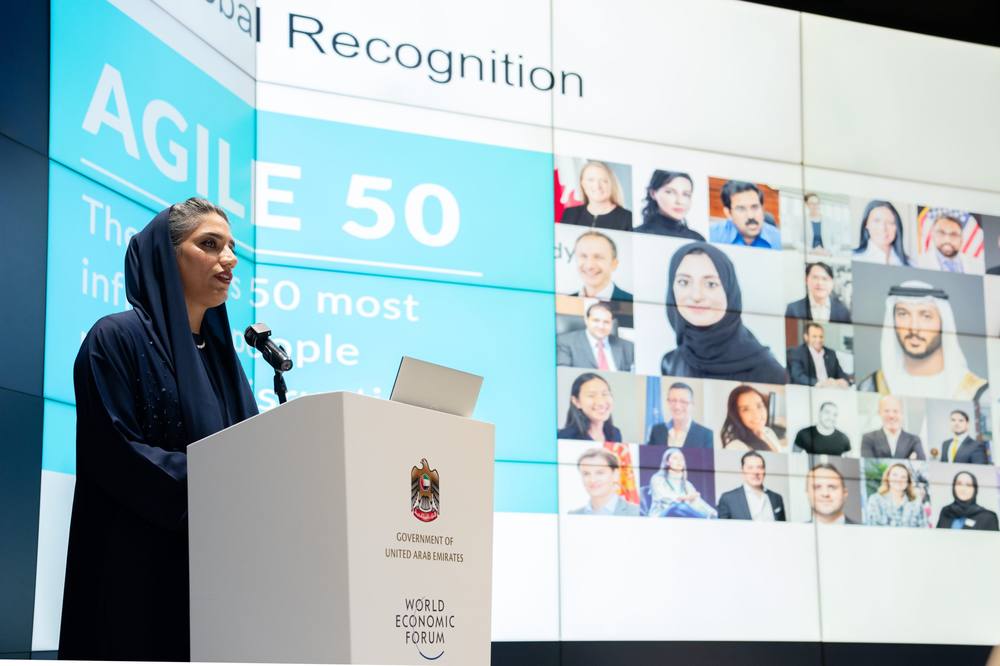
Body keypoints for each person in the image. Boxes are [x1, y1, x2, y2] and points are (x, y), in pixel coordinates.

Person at [59, 199, 259, 661]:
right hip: (135, 575)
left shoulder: (224, 363)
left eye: (231, 247)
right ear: (165, 257)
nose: (229, 259)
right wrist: (223, 484)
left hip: (215, 581)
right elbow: (116, 452)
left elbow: (251, 454)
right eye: (210, 244)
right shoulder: (115, 339)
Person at [660, 242, 787, 383]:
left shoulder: (769, 372)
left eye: (711, 284)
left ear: (729, 291)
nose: (696, 296)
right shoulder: (670, 362)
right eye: (684, 282)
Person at [858, 281, 988, 401]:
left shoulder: (977, 392)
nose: (914, 328)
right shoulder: (870, 386)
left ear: (943, 322)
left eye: (926, 316)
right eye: (903, 314)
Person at [556, 301, 634, 371]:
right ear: (586, 320)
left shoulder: (628, 346)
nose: (601, 326)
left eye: (606, 322)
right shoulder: (565, 342)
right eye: (596, 320)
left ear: (612, 323)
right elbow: (563, 375)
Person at [559, 160, 633, 231]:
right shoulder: (570, 214)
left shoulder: (628, 218)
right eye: (591, 180)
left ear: (612, 184)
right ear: (582, 184)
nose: (597, 186)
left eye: (603, 181)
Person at [709, 180, 781, 249]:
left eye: (755, 207)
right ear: (728, 213)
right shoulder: (712, 235)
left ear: (762, 208)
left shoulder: (778, 239)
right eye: (741, 209)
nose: (751, 216)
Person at [647, 448, 718, 518]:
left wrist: (714, 513)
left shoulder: (687, 484)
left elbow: (698, 502)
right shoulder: (657, 479)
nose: (679, 461)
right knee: (678, 507)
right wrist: (685, 498)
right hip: (661, 516)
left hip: (682, 516)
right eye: (675, 458)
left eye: (681, 459)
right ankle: (704, 519)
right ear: (667, 462)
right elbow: (664, 498)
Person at [633, 170, 704, 240]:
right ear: (653, 193)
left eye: (686, 194)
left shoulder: (697, 239)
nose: (680, 201)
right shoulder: (637, 234)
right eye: (670, 192)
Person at [717, 451, 786, 521]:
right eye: (750, 468)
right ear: (742, 470)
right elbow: (722, 527)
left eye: (760, 467)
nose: (755, 472)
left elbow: (783, 526)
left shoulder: (777, 498)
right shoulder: (728, 499)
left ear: (764, 470)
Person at [568, 448, 640, 516]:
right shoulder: (572, 515)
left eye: (600, 473)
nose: (592, 480)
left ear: (615, 474)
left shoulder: (637, 512)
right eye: (586, 474)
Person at [570, 230, 633, 302]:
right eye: (583, 256)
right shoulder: (563, 302)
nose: (589, 266)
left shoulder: (632, 301)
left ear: (614, 264)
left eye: (598, 257)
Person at [558, 372, 622, 442]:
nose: (601, 402)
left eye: (605, 394)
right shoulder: (564, 437)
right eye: (591, 395)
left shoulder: (615, 433)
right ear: (576, 401)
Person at [646, 382, 713, 447]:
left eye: (683, 401)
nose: (677, 407)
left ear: (692, 404)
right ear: (668, 402)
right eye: (673, 400)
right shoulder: (656, 431)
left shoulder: (706, 435)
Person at [720, 385, 784, 453]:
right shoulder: (735, 447)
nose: (756, 415)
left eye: (759, 406)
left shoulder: (768, 431)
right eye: (746, 409)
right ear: (736, 415)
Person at [786, 322, 851, 387]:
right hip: (811, 389)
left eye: (821, 336)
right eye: (814, 336)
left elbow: (841, 374)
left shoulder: (831, 353)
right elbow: (798, 376)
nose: (818, 340)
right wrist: (818, 383)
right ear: (806, 337)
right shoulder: (797, 352)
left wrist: (843, 381)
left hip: (830, 389)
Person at [864, 463, 930, 527]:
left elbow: (924, 529)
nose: (899, 479)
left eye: (903, 477)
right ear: (888, 478)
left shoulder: (916, 504)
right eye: (895, 475)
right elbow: (872, 528)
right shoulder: (875, 500)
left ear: (908, 482)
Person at [860, 395, 925, 459]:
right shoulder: (869, 438)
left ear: (902, 413)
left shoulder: (913, 440)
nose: (891, 416)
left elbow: (921, 462)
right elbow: (868, 463)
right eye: (886, 411)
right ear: (879, 413)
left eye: (895, 411)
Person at [784, 262, 851, 323]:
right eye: (815, 277)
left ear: (832, 282)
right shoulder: (793, 309)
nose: (819, 283)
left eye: (824, 279)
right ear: (806, 280)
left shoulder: (843, 311)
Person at [852, 200, 909, 265]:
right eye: (877, 221)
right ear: (866, 224)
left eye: (890, 222)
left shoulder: (910, 264)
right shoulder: (854, 258)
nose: (883, 228)